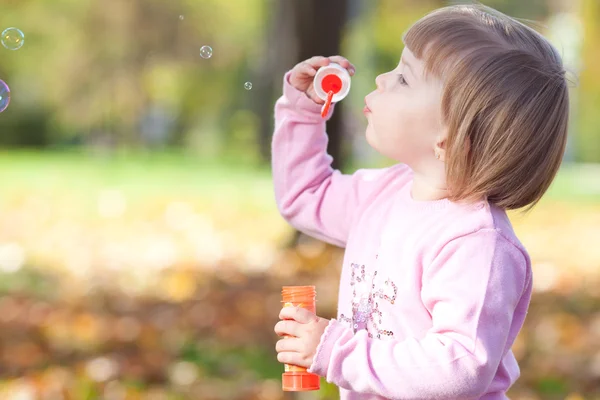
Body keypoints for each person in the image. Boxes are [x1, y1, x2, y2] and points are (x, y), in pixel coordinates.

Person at [272, 3, 569, 399]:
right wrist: (304, 112)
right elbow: (305, 196)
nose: (380, 78)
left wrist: (337, 351)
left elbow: (459, 367)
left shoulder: (476, 244)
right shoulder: (384, 195)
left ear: (449, 135)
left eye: (404, 79)